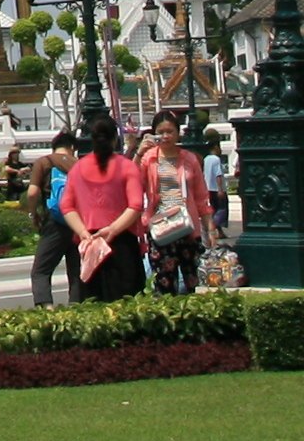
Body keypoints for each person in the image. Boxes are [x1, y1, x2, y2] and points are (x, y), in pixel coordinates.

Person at [62, 113, 150, 302]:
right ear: (114, 138)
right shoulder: (127, 167)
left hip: (90, 243)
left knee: (93, 302)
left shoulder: (77, 168)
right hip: (122, 242)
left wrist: (83, 232)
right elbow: (135, 206)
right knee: (127, 303)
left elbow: (67, 206)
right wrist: (112, 229)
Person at [140, 121, 208, 295]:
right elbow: (135, 184)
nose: (165, 136)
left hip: (187, 226)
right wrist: (138, 153)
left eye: (170, 131)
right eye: (160, 132)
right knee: (164, 284)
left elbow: (201, 197)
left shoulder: (189, 159)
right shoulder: (149, 158)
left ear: (178, 133)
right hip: (161, 227)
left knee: (194, 281)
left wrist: (211, 229)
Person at [26, 131, 80, 309]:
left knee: (40, 271)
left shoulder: (45, 162)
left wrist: (33, 214)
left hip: (54, 221)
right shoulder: (79, 165)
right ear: (72, 147)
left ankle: (47, 310)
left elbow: (32, 193)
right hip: (78, 223)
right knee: (76, 271)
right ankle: (78, 309)